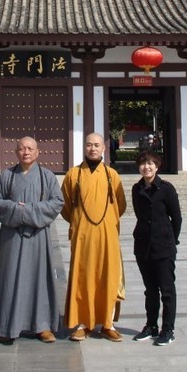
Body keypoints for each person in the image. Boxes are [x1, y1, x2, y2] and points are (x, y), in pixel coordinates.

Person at [0, 136, 64, 344]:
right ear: (16, 152)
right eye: (22, 148)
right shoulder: (7, 176)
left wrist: (28, 210)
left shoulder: (47, 176)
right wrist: (17, 210)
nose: (26, 152)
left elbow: (57, 203)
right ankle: (8, 327)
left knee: (40, 279)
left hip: (38, 236)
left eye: (30, 148)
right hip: (12, 237)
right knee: (11, 280)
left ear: (38, 152)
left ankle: (43, 326)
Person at [61, 132, 127, 342]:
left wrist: (106, 221)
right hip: (83, 236)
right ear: (84, 147)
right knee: (84, 277)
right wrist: (80, 221)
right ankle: (83, 323)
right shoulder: (73, 174)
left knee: (107, 276)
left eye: (97, 145)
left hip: (107, 235)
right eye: (89, 145)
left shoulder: (112, 175)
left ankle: (108, 323)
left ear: (104, 148)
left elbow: (120, 204)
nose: (93, 148)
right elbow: (65, 206)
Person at [131, 149, 182, 346]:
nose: (147, 167)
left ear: (157, 166)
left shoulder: (167, 189)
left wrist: (171, 239)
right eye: (143, 163)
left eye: (150, 163)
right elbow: (139, 214)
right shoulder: (136, 189)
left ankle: (167, 329)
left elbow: (176, 218)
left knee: (167, 289)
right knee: (150, 290)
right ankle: (151, 325)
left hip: (163, 246)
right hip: (143, 246)